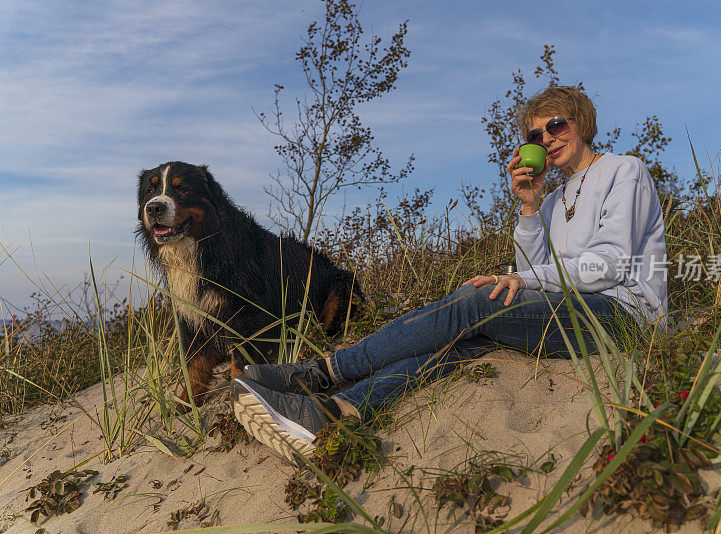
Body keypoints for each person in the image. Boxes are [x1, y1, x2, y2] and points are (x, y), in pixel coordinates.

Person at [230, 85, 668, 462]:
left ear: (582, 123)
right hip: (573, 312)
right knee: (466, 338)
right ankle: (333, 412)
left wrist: (520, 282)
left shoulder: (622, 170)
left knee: (479, 302)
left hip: (625, 316)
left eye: (557, 125)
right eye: (536, 134)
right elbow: (533, 270)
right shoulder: (552, 200)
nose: (547, 139)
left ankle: (322, 371)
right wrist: (530, 205)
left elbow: (609, 263)